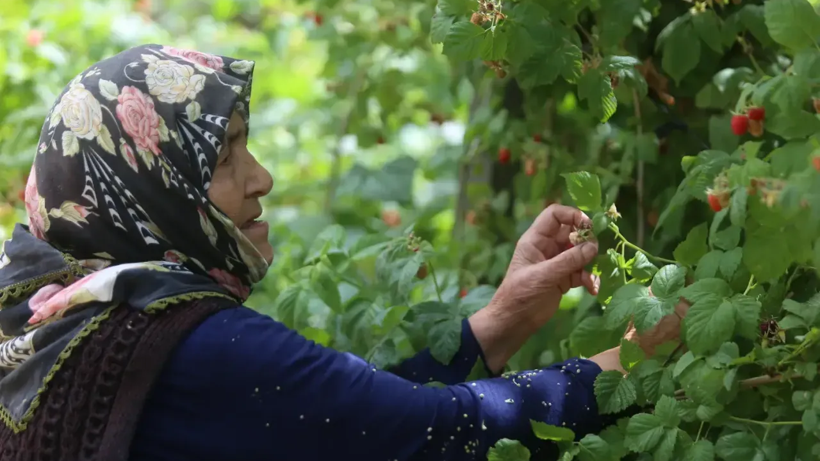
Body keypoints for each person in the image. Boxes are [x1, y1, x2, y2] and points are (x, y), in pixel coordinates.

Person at [0, 44, 684, 461]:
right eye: (222, 155)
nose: (261, 177)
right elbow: (435, 437)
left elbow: (338, 417)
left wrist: (499, 321)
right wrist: (627, 363)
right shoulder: (184, 343)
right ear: (149, 185)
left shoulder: (56, 313)